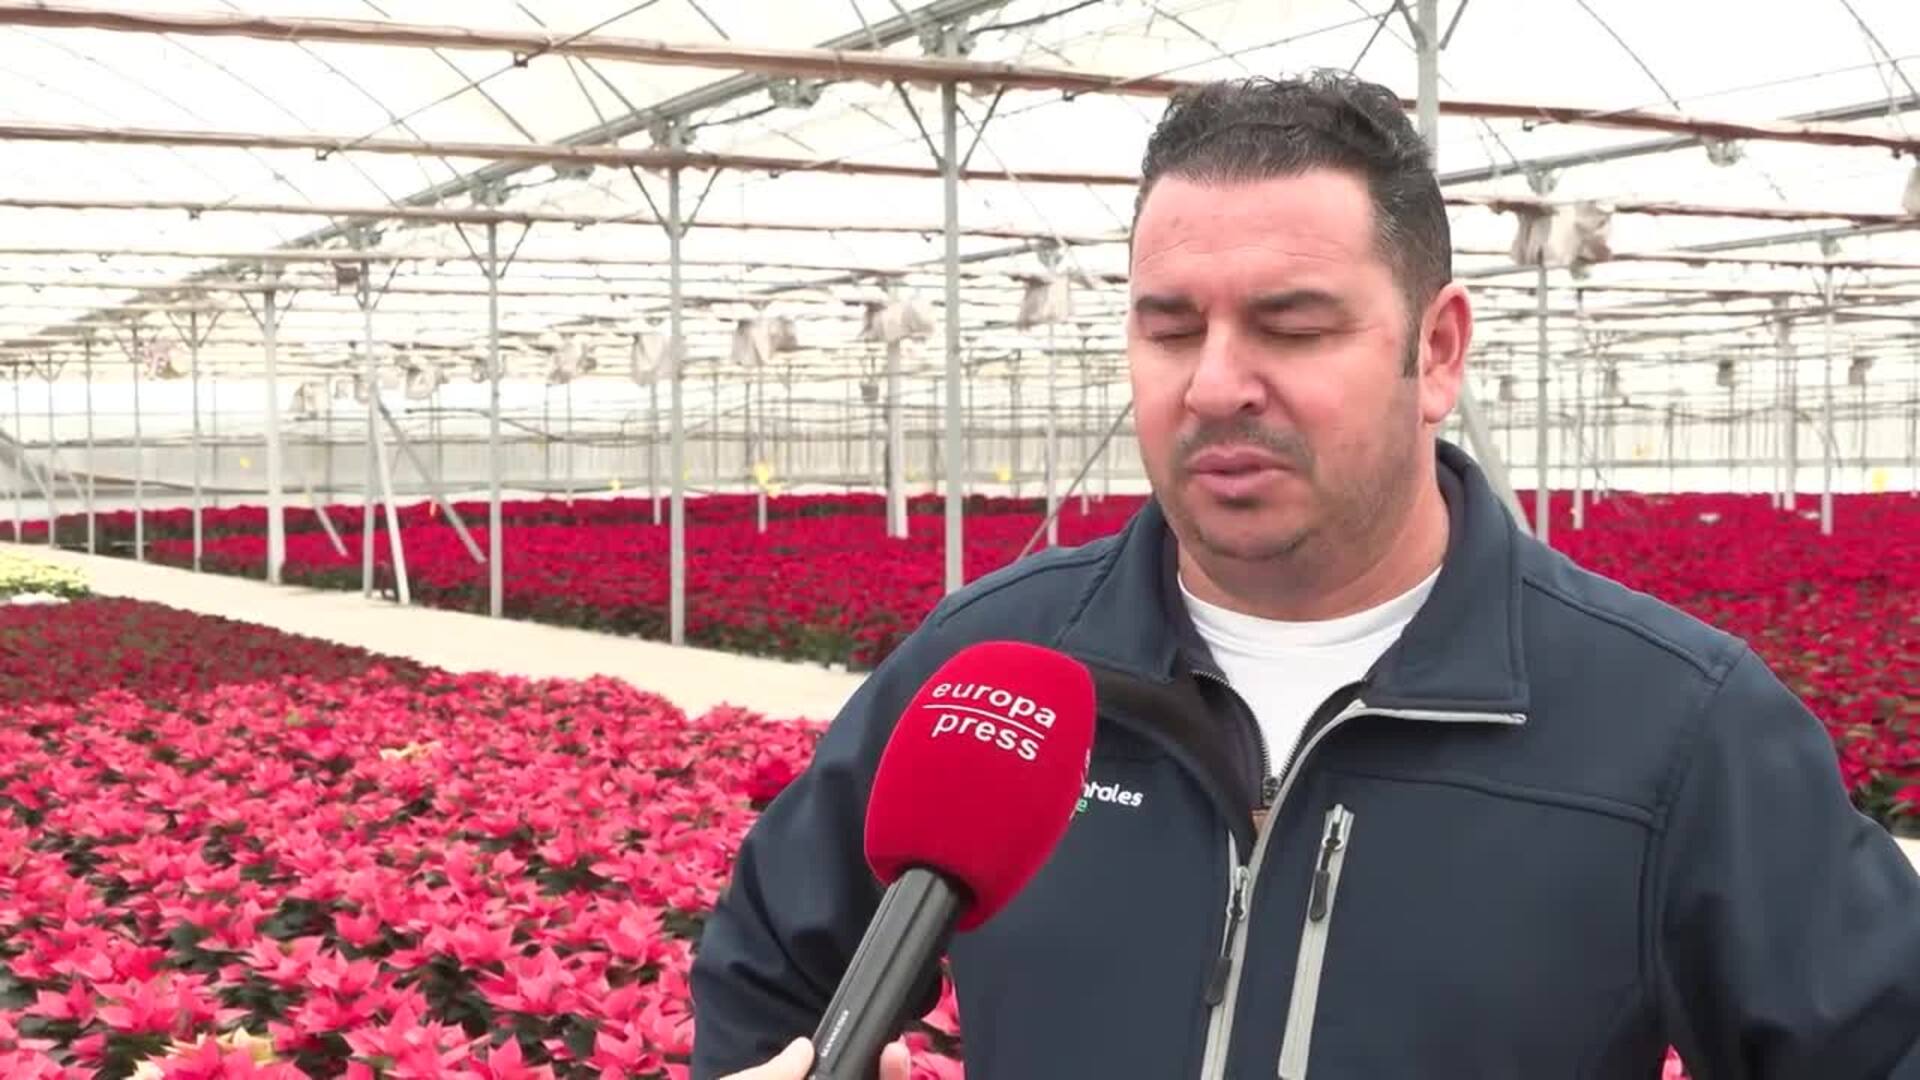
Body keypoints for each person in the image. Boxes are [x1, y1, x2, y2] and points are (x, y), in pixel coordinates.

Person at [690, 71, 1920, 1079]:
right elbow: (765, 974)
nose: (1216, 382)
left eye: (1291, 325)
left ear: (1435, 354)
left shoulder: (1671, 723)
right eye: (1170, 327)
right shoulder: (995, 671)